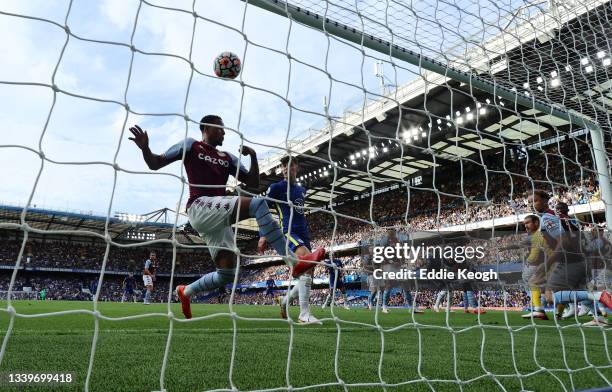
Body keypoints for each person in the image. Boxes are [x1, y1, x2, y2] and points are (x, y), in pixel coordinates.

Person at [128, 116, 325, 319]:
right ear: (206, 128)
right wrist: (145, 148)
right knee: (257, 204)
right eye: (220, 128)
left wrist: (254, 156)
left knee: (227, 274)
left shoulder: (228, 157)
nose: (224, 132)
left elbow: (253, 182)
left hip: (217, 217)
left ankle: (185, 292)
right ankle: (294, 262)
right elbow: (155, 163)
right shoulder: (191, 145)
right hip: (199, 206)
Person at [258, 156, 320, 323]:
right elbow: (263, 207)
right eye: (284, 166)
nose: (286, 168)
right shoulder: (276, 187)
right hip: (288, 232)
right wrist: (263, 234)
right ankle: (304, 315)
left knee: (308, 275)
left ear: (296, 168)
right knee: (307, 263)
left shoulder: (301, 190)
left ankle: (284, 302)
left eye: (290, 165)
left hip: (304, 234)